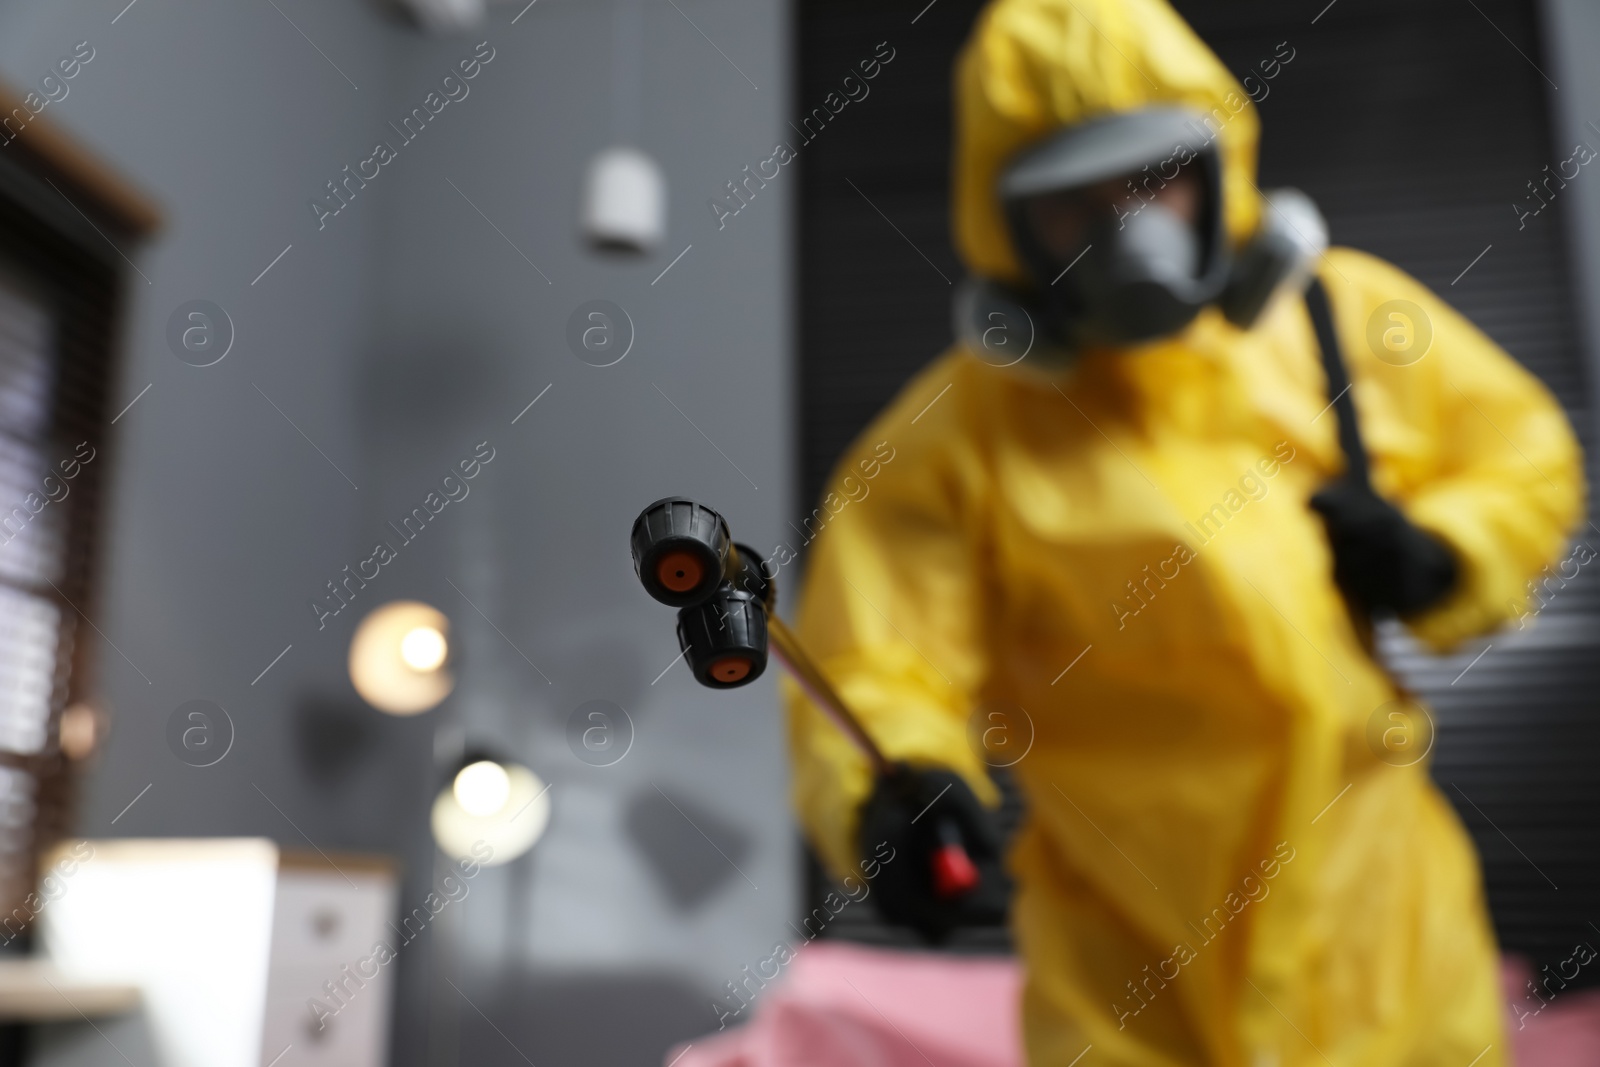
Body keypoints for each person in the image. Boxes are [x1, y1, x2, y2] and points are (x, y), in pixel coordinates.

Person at [782, 0, 1585, 1063]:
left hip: (1384, 935)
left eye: (1155, 178)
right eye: (1074, 204)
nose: (1130, 236)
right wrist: (893, 799)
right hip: (1125, 976)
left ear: (1221, 171)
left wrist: (1445, 549)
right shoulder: (951, 439)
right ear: (1005, 225)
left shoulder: (1340, 321)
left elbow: (1521, 451)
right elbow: (874, 663)